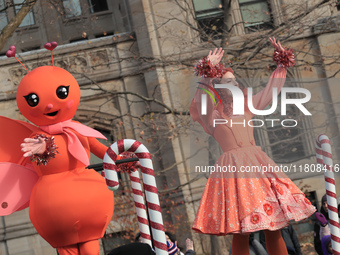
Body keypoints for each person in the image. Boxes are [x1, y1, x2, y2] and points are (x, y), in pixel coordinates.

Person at [189, 38, 316, 255]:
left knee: (273, 225)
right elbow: (203, 102)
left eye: (236, 81)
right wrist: (206, 75)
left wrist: (281, 64)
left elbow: (271, 90)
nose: (236, 84)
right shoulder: (212, 116)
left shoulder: (247, 106)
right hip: (235, 172)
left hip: (259, 168)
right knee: (241, 232)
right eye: (229, 82)